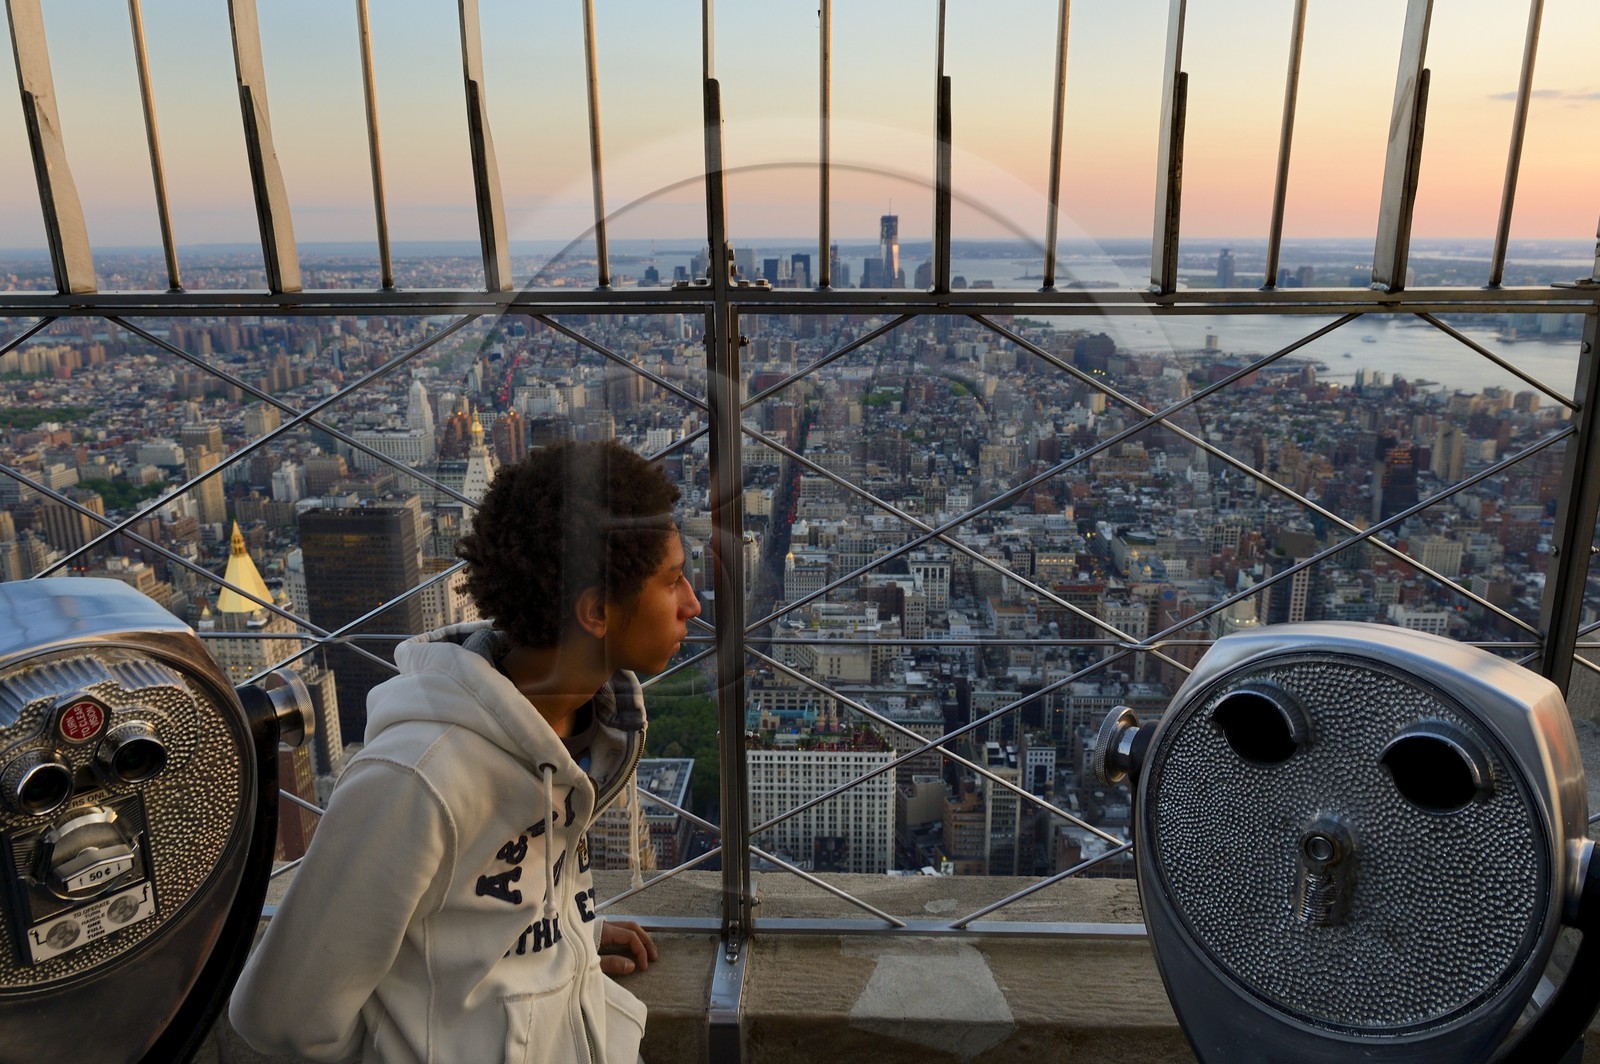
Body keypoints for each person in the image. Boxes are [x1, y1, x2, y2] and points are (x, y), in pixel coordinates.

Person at [230, 439, 700, 1063]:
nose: (693, 603)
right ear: (595, 612)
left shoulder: (582, 726)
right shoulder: (414, 781)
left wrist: (564, 937)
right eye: (673, 581)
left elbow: (470, 911)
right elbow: (280, 1015)